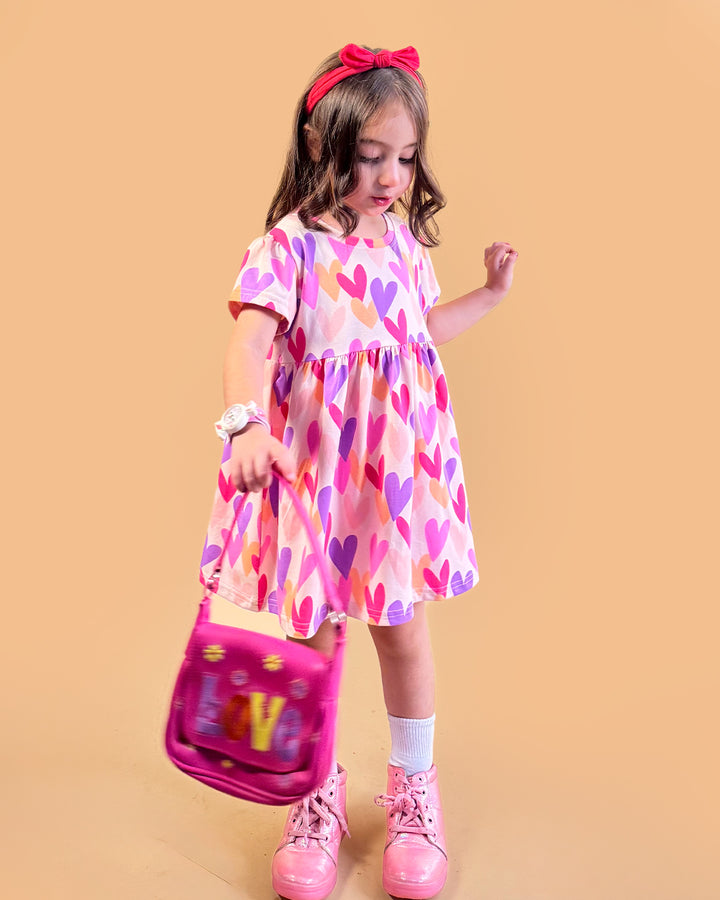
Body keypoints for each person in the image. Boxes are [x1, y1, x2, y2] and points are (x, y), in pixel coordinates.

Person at [202, 43, 518, 900]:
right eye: (370, 155)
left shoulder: (404, 241)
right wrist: (243, 427)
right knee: (312, 641)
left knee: (401, 628)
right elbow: (250, 343)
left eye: (405, 157)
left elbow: (415, 333)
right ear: (320, 144)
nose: (390, 176)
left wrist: (485, 298)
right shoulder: (288, 246)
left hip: (395, 481)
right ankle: (313, 788)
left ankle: (414, 787)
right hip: (316, 481)